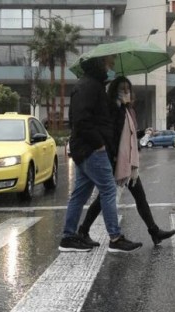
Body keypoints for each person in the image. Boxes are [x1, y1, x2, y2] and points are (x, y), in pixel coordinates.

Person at [75, 76, 175, 247]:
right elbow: (112, 136)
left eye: (128, 89)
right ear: (115, 92)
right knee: (103, 199)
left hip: (128, 163)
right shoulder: (114, 110)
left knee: (139, 197)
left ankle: (154, 231)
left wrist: (144, 132)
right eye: (122, 90)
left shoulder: (129, 111)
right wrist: (113, 157)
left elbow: (128, 136)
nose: (126, 93)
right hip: (117, 161)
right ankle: (83, 231)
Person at [59, 55, 142, 254]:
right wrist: (98, 144)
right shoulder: (90, 87)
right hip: (91, 149)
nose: (111, 68)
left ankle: (69, 237)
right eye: (110, 65)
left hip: (84, 148)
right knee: (108, 190)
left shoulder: (92, 85)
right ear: (100, 65)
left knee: (80, 194)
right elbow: (81, 120)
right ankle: (115, 238)